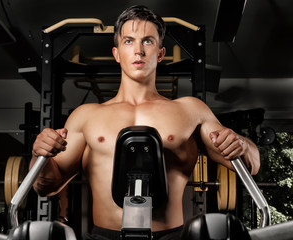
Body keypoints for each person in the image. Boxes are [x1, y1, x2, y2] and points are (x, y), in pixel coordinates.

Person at [30, 5, 260, 240]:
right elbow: (45, 186)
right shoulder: (86, 116)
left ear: (160, 53)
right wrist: (40, 155)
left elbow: (251, 165)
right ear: (117, 53)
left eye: (148, 41)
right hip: (104, 237)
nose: (138, 51)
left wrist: (241, 144)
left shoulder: (190, 110)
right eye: (129, 41)